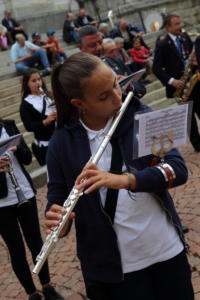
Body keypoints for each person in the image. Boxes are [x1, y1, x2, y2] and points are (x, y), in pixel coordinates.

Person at [45, 52, 194, 300]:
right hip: (114, 271)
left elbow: (177, 170)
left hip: (165, 251)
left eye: (115, 84)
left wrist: (125, 180)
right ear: (79, 103)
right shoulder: (61, 144)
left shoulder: (141, 115)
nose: (118, 97)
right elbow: (57, 197)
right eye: (103, 97)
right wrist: (58, 221)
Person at [0, 118, 64, 300]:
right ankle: (32, 293)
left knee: (36, 242)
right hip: (1, 203)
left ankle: (47, 286)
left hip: (24, 192)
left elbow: (28, 159)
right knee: (16, 249)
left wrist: (17, 149)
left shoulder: (8, 125)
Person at [152, 14, 200, 151]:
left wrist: (195, 61)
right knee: (190, 118)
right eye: (177, 24)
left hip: (194, 81)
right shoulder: (162, 44)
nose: (181, 26)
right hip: (179, 86)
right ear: (167, 27)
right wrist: (172, 81)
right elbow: (156, 68)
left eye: (180, 23)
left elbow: (193, 54)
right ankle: (197, 144)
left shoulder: (185, 37)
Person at [20, 69, 56, 166]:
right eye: (33, 81)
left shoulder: (49, 95)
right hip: (45, 145)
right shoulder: (26, 103)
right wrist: (45, 121)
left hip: (59, 139)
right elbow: (29, 126)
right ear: (27, 83)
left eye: (39, 79)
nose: (38, 83)